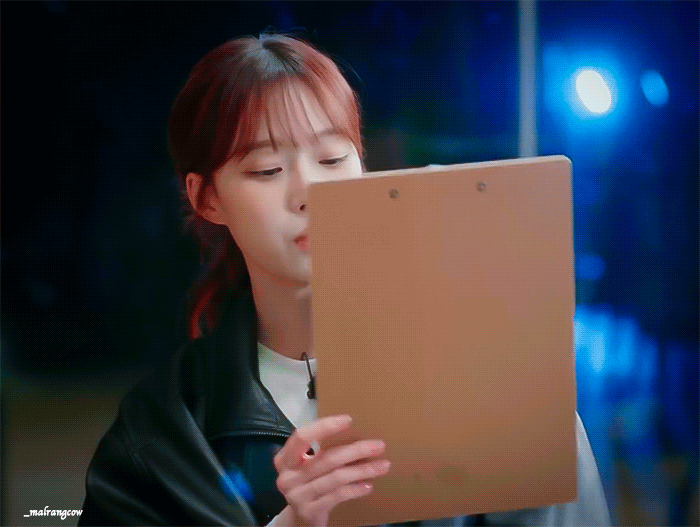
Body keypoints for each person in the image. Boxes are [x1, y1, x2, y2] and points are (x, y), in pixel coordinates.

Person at [78, 32, 611, 526]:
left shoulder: (478, 367)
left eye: (333, 159)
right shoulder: (164, 433)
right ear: (207, 197)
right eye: (267, 170)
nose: (309, 193)